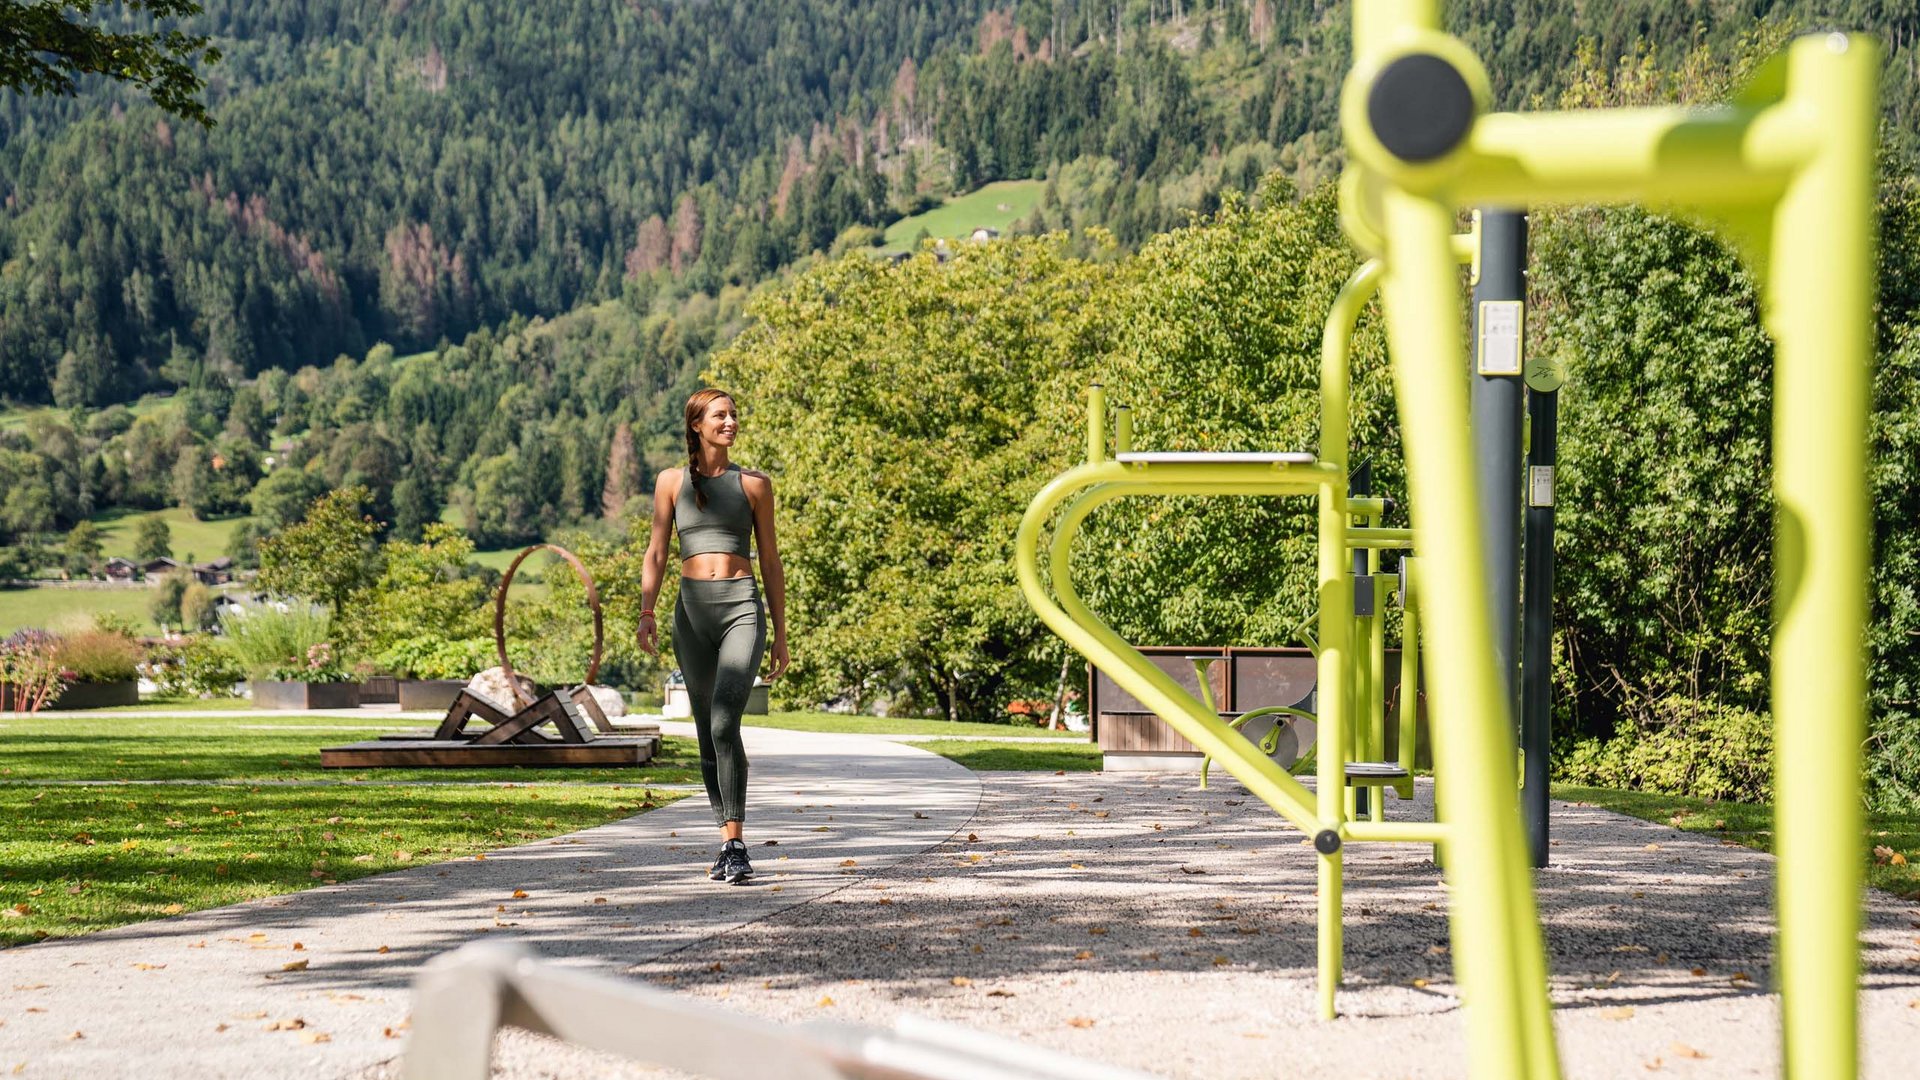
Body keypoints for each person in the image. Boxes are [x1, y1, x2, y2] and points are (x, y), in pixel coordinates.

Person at [637, 388, 790, 885]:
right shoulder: (670, 482)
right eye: (720, 415)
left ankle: (737, 842)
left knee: (725, 721)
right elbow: (657, 552)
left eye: (733, 415)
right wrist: (646, 611)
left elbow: (770, 561)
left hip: (741, 607)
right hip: (691, 614)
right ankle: (726, 842)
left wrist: (781, 632)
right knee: (706, 730)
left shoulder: (755, 485)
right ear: (697, 425)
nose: (730, 422)